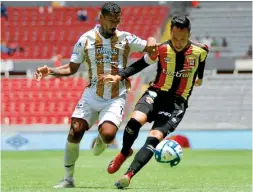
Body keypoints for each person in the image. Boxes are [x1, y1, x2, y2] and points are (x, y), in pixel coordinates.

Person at [35, 2, 156, 188]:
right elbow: (71, 67)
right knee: (75, 130)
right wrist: (50, 70)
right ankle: (68, 178)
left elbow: (150, 48)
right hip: (92, 94)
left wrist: (152, 40)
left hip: (116, 96)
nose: (114, 24)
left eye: (117, 20)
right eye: (110, 20)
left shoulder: (126, 38)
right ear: (101, 17)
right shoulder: (86, 39)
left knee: (108, 135)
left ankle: (102, 140)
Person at [102, 16, 209, 189]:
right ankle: (124, 152)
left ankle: (128, 175)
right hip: (156, 93)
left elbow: (201, 66)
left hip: (176, 104)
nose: (179, 42)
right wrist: (119, 75)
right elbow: (139, 65)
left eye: (183, 38)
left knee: (153, 138)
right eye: (175, 38)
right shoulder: (162, 49)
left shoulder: (201, 50)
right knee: (133, 122)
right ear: (170, 33)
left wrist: (200, 79)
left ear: (189, 34)